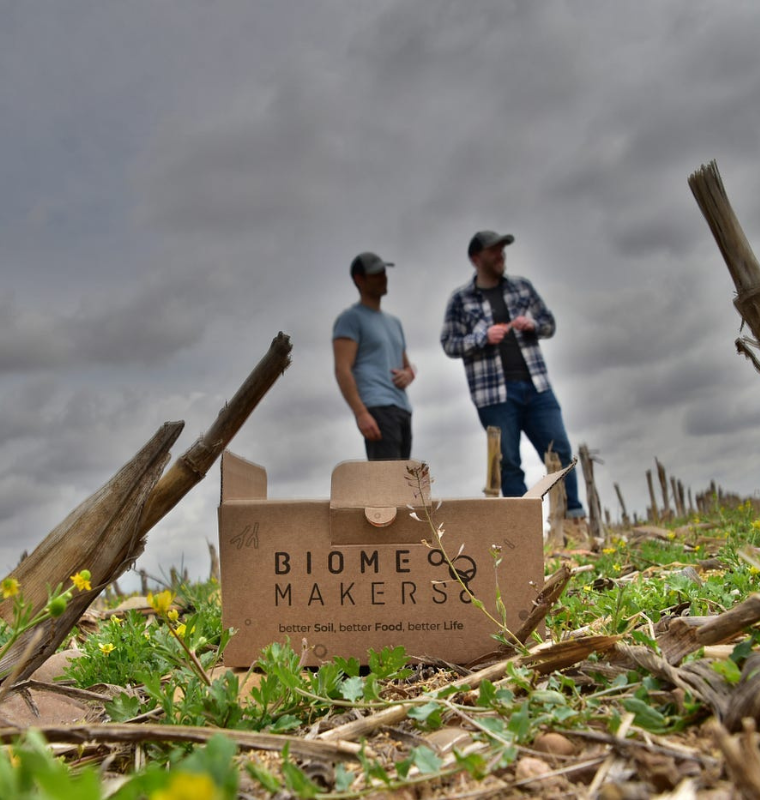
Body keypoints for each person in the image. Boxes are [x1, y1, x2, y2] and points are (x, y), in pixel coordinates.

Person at [440, 230, 585, 517]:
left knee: (560, 452)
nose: (500, 254)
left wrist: (532, 324)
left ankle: (573, 521)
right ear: (475, 258)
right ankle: (523, 531)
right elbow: (449, 343)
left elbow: (549, 324)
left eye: (502, 249)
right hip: (494, 396)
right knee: (508, 464)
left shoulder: (522, 287)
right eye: (493, 250)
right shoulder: (460, 299)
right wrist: (482, 337)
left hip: (537, 386)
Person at [333, 251, 415, 460]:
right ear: (359, 279)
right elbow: (342, 369)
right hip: (377, 409)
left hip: (402, 409)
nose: (383, 278)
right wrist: (361, 413)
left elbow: (407, 365)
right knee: (386, 485)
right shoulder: (350, 319)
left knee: (404, 484)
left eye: (384, 272)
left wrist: (409, 373)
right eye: (376, 274)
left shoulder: (394, 322)